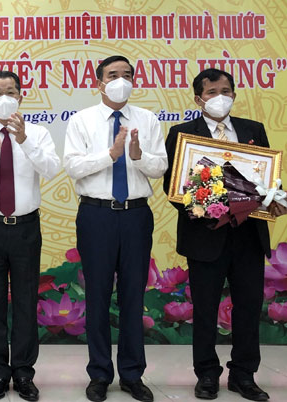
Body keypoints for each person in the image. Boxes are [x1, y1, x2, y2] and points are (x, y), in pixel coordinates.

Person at [163, 68, 286, 401]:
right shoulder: (182, 134)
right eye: (213, 91)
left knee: (248, 307)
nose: (221, 97)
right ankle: (206, 374)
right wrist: (209, 209)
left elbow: (267, 179)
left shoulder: (252, 130)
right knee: (204, 309)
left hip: (249, 235)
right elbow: (173, 188)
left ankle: (244, 375)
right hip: (206, 236)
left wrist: (275, 198)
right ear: (198, 98)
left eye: (227, 91)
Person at [63, 55, 168, 402]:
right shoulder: (82, 120)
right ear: (98, 81)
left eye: (126, 74)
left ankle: (132, 374)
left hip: (136, 215)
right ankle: (99, 374)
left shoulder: (148, 119)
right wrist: (111, 154)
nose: (120, 79)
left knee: (133, 295)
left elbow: (160, 168)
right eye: (112, 74)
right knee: (96, 294)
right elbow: (74, 167)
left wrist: (137, 155)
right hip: (97, 215)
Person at [0, 70, 61, 401]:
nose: (4, 96)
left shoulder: (38, 133)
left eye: (10, 91)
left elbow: (50, 169)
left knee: (25, 299)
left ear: (21, 96)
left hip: (26, 227)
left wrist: (23, 141)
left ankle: (23, 372)